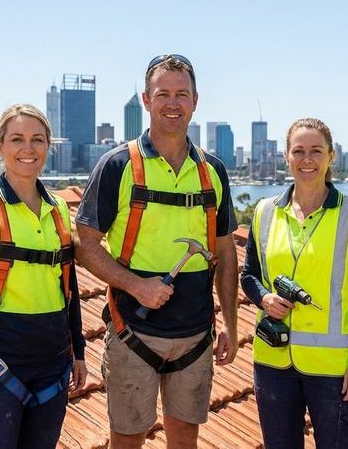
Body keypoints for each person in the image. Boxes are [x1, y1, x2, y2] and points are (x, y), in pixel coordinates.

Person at [75, 54, 239, 449]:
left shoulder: (212, 171)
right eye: (162, 93)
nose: (172, 102)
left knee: (184, 439)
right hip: (135, 333)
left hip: (195, 337)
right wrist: (136, 286)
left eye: (182, 94)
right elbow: (84, 245)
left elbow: (225, 253)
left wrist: (231, 325)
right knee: (128, 439)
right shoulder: (118, 165)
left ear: (195, 101)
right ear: (146, 101)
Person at [0, 103, 87, 448]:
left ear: (48, 147)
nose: (28, 149)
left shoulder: (58, 211)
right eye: (17, 139)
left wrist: (78, 351)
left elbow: (68, 287)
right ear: (0, 146)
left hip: (53, 364)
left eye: (38, 140)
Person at [240, 118, 348, 449]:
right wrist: (264, 299)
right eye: (299, 151)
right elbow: (249, 276)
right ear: (286, 157)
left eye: (316, 151)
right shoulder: (264, 212)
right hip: (273, 363)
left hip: (333, 370)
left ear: (331, 156)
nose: (307, 160)